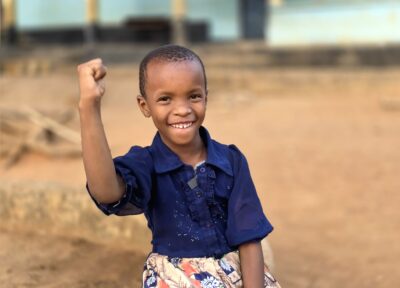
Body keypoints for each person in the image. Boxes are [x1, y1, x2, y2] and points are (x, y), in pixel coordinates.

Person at [77, 44, 281, 288]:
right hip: (175, 279)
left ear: (206, 96)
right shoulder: (147, 163)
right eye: (165, 99)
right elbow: (106, 191)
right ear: (145, 106)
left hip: (234, 274)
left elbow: (248, 238)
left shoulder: (231, 161)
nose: (183, 110)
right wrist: (89, 107)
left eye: (194, 96)